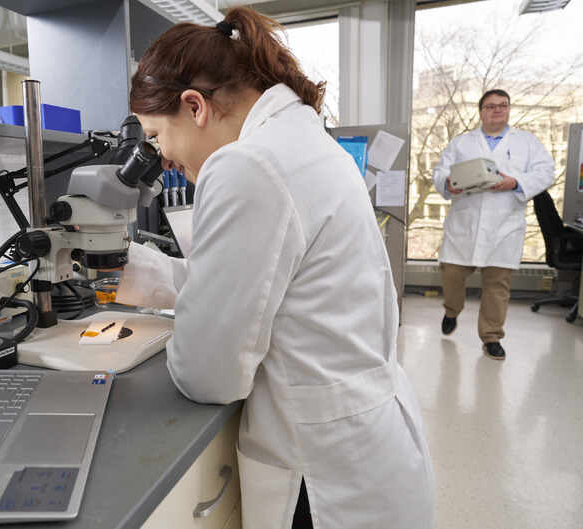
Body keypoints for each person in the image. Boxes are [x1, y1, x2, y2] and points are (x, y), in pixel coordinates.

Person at [114, 7, 434, 529]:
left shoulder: (247, 164)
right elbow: (279, 290)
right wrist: (140, 275)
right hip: (365, 442)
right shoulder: (303, 141)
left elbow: (207, 373)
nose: (162, 156)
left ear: (194, 107)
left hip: (320, 470)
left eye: (155, 136)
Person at [432, 89, 554, 360]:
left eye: (503, 105)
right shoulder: (462, 142)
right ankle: (452, 310)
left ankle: (491, 336)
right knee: (452, 275)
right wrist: (447, 183)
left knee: (497, 285)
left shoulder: (527, 142)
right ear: (481, 111)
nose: (497, 110)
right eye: (491, 106)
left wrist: (516, 183)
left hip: (505, 223)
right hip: (465, 220)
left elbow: (546, 171)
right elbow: (440, 171)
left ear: (509, 109)